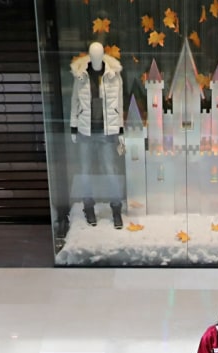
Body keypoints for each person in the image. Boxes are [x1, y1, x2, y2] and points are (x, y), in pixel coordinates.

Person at [70, 41, 125, 229]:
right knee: (85, 172)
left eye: (98, 54)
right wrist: (73, 127)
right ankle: (88, 207)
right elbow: (74, 102)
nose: (95, 58)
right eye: (93, 55)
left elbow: (119, 103)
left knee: (111, 172)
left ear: (102, 56)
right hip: (85, 132)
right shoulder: (81, 76)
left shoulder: (113, 76)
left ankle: (116, 209)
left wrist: (121, 129)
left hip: (106, 132)